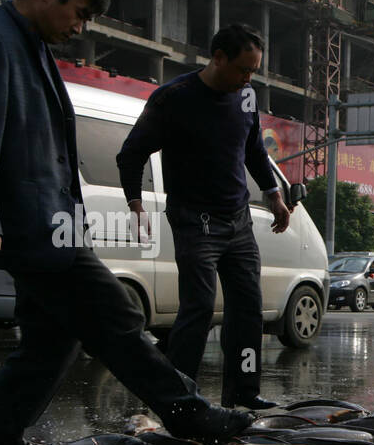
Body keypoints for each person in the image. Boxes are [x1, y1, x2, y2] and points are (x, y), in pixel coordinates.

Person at [0, 0, 251, 445]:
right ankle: (187, 411)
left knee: (52, 338)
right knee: (115, 312)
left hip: (49, 221)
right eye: (79, 13)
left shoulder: (28, 43)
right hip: (26, 222)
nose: (80, 27)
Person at [118, 23, 289, 410]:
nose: (247, 79)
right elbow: (131, 153)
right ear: (218, 58)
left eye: (253, 72)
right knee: (198, 308)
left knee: (248, 309)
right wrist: (135, 203)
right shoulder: (173, 99)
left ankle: (243, 393)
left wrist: (274, 194)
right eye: (242, 70)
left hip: (238, 219)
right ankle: (178, 399)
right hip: (196, 220)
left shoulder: (245, 97)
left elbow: (254, 151)